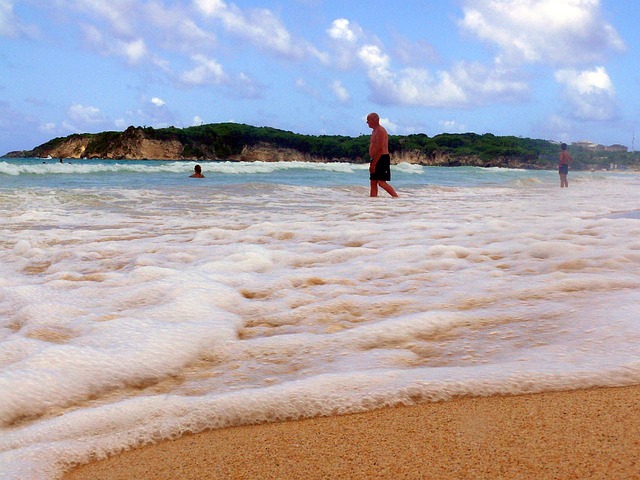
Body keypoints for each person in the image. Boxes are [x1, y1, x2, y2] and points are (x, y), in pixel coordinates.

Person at [366, 112, 398, 197]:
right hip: (375, 158)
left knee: (381, 182)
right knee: (373, 182)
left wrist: (373, 164)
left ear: (375, 120)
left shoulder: (380, 131)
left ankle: (396, 198)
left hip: (381, 158)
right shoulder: (374, 131)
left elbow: (380, 149)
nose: (367, 122)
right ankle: (373, 201)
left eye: (368, 120)